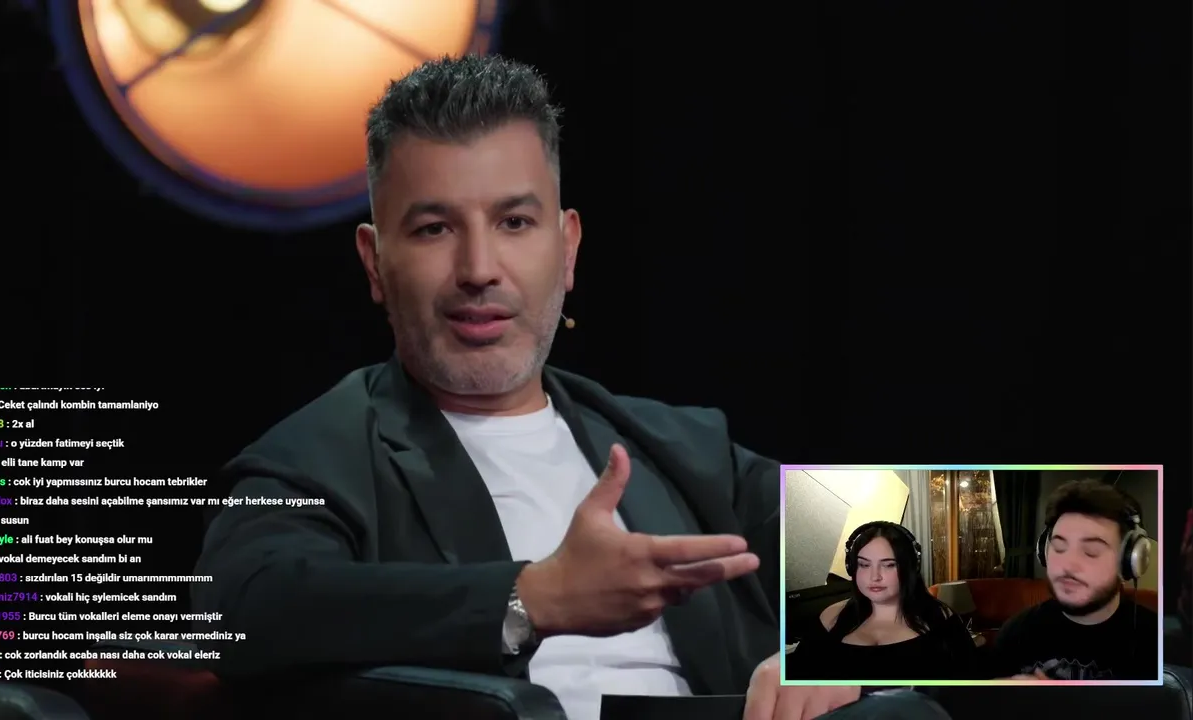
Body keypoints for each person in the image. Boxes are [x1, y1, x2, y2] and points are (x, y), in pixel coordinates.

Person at [190, 54, 881, 720]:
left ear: (568, 248)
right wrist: (529, 600)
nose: (479, 268)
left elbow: (934, 544)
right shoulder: (320, 454)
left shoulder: (681, 447)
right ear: (375, 263)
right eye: (434, 228)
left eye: (514, 223)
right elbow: (239, 609)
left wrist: (831, 648)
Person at [990, 479, 1159, 681]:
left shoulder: (1157, 642)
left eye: (1091, 551)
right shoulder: (1014, 634)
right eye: (1059, 547)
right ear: (1044, 551)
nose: (1068, 565)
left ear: (1130, 562)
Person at [784, 522, 980, 681]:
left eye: (888, 565)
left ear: (910, 568)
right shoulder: (831, 618)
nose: (874, 576)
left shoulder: (941, 619)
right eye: (864, 565)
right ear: (852, 568)